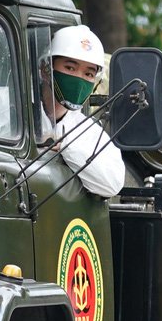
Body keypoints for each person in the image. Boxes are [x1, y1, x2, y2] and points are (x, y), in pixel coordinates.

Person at [41, 25, 126, 199]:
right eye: (70, 68)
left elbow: (112, 184)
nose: (79, 79)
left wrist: (66, 146)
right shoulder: (10, 116)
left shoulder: (90, 133)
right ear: (46, 68)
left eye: (88, 73)